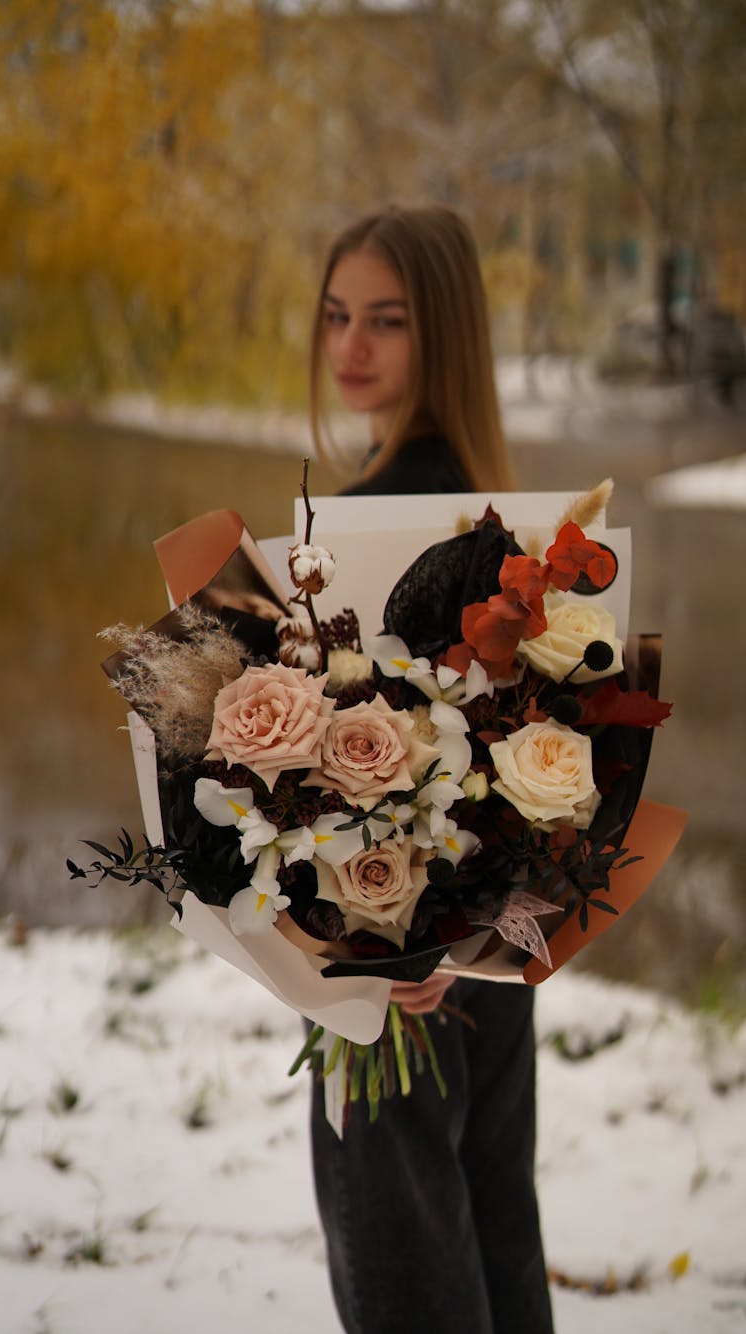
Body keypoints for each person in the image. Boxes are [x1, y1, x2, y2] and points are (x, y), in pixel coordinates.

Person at [306, 204, 555, 1334]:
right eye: (338, 314)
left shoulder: (359, 529)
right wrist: (482, 928)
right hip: (498, 952)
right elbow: (549, 759)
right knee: (500, 1234)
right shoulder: (507, 531)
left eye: (388, 321)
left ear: (440, 335)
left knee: (408, 1270)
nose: (350, 346)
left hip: (393, 971)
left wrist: (405, 938)